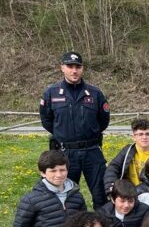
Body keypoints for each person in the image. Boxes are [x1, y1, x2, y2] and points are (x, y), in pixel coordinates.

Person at [39, 51, 110, 209]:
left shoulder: (95, 93)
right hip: (66, 153)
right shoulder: (51, 93)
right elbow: (46, 120)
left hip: (92, 151)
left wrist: (90, 133)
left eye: (77, 67)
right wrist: (63, 134)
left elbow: (104, 120)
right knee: (65, 196)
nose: (74, 70)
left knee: (101, 195)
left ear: (82, 68)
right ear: (62, 68)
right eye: (70, 66)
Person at [104, 119, 149, 192]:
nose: (144, 137)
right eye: (140, 134)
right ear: (133, 137)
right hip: (130, 192)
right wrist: (111, 186)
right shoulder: (128, 151)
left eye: (147, 134)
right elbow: (113, 167)